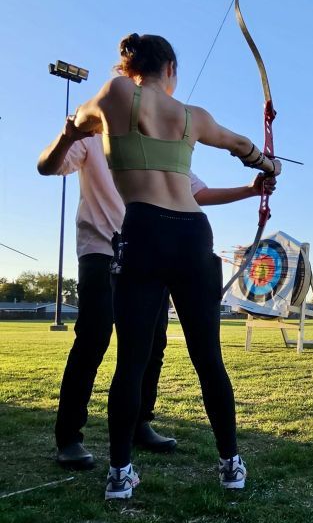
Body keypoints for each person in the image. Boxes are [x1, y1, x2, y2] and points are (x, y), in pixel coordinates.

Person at [73, 32, 280, 499]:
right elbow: (239, 142)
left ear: (129, 67)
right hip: (191, 235)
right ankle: (230, 463)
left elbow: (82, 120)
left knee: (133, 360)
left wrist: (71, 128)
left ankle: (120, 474)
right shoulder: (190, 116)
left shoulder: (116, 94)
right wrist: (266, 164)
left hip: (145, 232)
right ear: (169, 69)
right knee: (207, 358)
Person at [37, 122, 275, 472]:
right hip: (102, 249)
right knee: (93, 338)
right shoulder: (93, 134)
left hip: (148, 253)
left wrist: (251, 190)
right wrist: (68, 135)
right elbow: (49, 165)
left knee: (152, 345)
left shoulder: (163, 141)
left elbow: (196, 193)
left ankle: (139, 424)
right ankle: (69, 437)